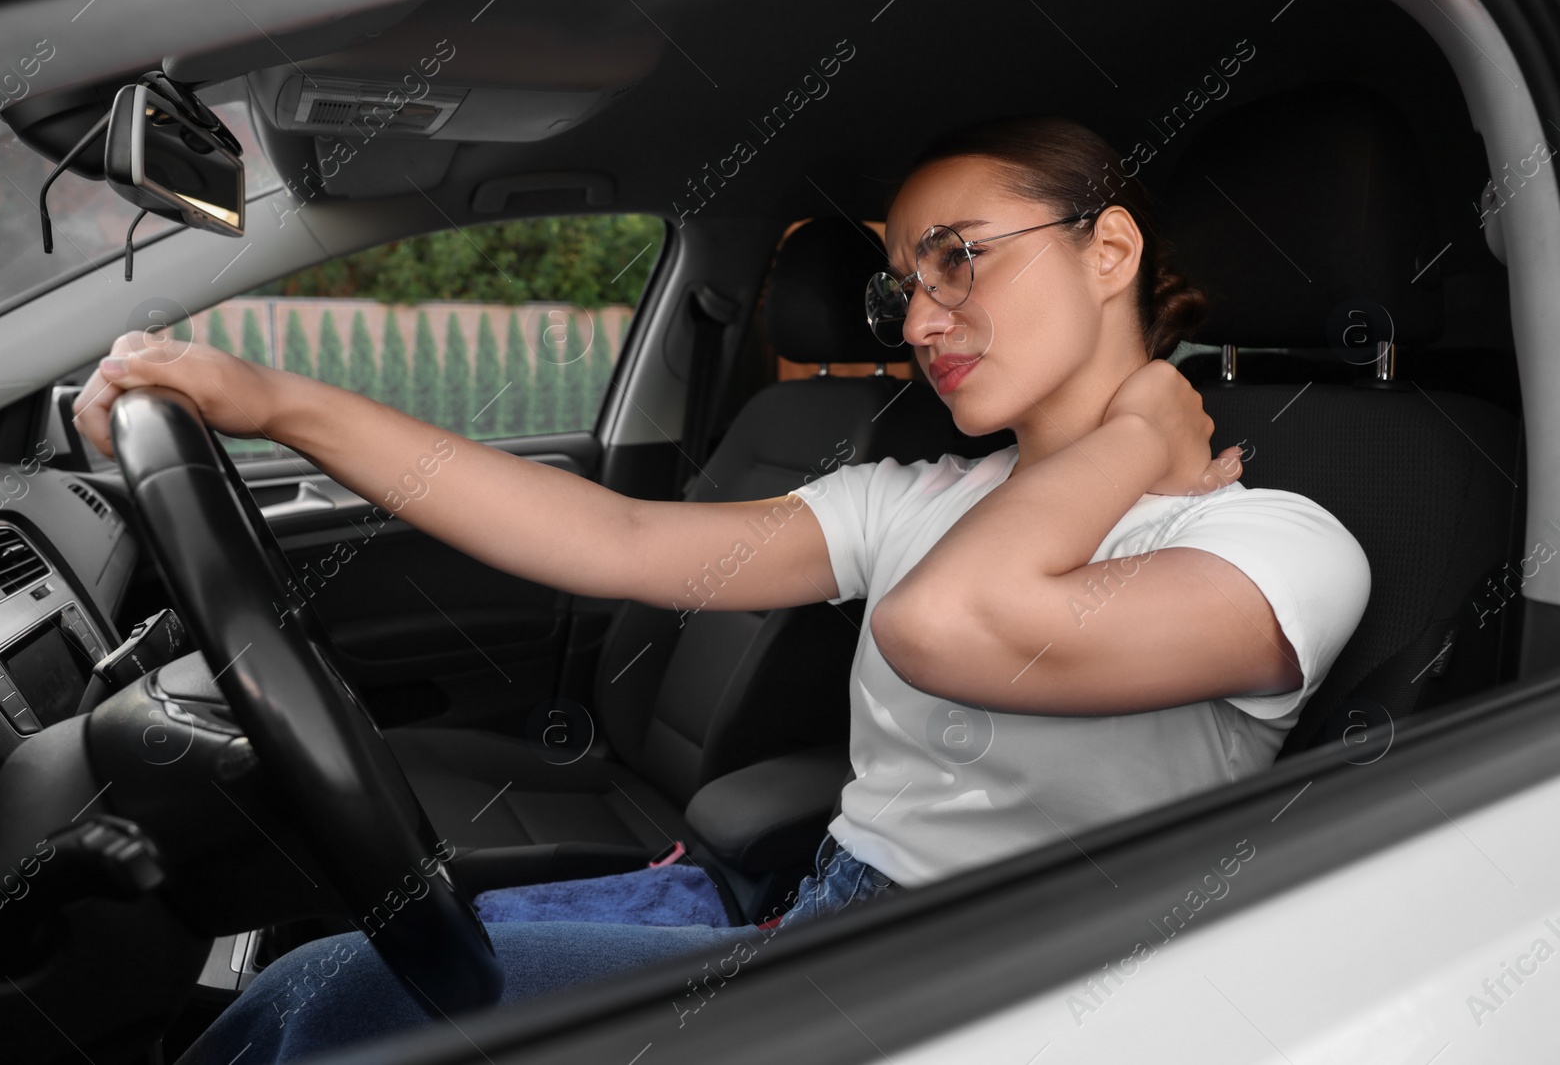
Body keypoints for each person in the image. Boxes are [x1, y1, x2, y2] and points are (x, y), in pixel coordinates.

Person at [73, 114, 1370, 1063]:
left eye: (961, 259)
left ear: (1110, 251)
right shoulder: (920, 498)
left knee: (352, 1004)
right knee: (327, 983)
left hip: (999, 985)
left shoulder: (1283, 546)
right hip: (814, 909)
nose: (919, 323)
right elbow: (616, 543)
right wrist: (270, 400)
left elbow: (956, 626)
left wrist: (1143, 432)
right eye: (902, 285)